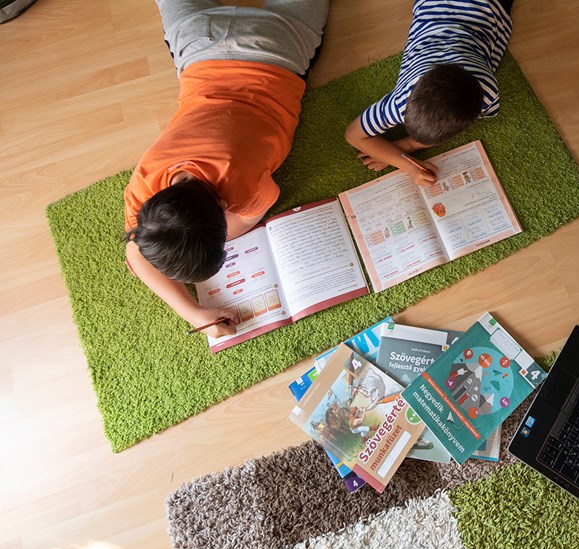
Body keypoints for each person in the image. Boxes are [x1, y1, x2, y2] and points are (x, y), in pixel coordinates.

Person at [124, 0, 329, 339]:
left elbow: (250, 216)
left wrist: (195, 311)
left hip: (275, 45)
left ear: (222, 208)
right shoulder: (143, 183)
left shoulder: (242, 187)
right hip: (200, 40)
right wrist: (194, 313)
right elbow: (136, 251)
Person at [344, 0, 514, 186]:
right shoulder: (401, 100)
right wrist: (407, 163)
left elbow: (356, 136)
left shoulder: (488, 93)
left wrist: (405, 147)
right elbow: (352, 135)